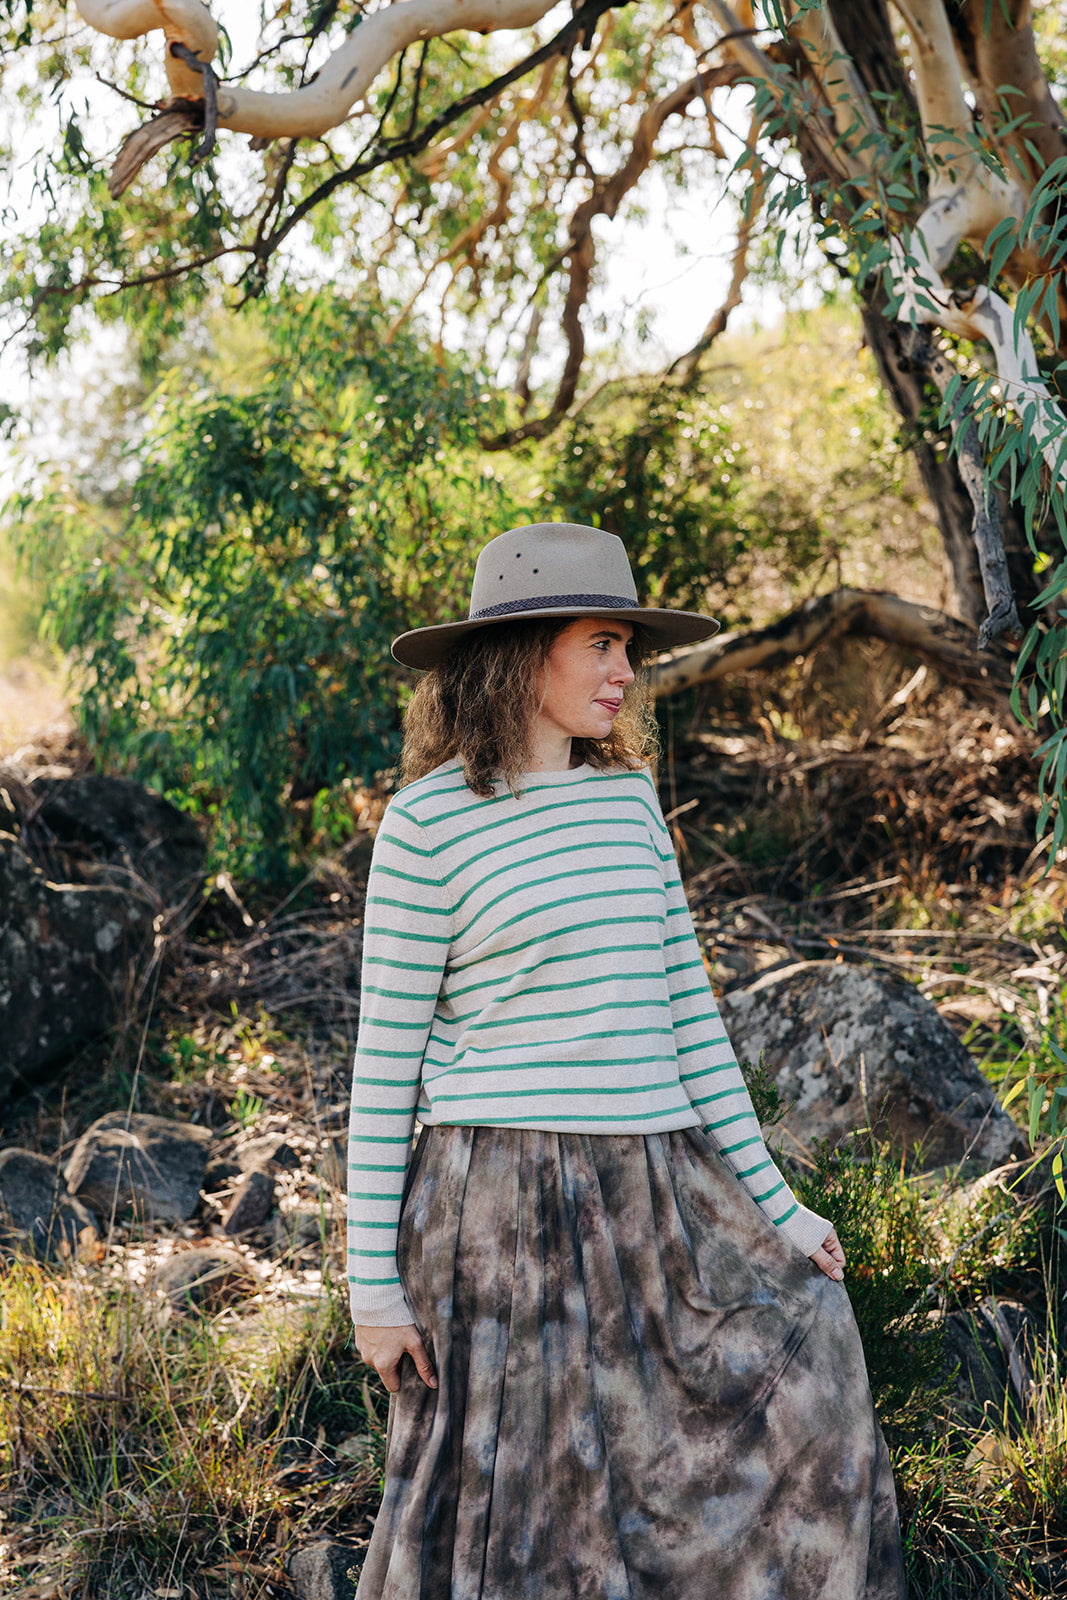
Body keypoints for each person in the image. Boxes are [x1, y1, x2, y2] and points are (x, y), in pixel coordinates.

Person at [347, 522, 905, 1600]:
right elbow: (384, 1067)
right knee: (526, 1509)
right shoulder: (425, 828)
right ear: (523, 651)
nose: (622, 671)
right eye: (601, 642)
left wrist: (780, 1207)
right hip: (496, 1210)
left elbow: (689, 1019)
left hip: (654, 1192)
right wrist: (371, 1283)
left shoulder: (628, 804)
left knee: (805, 1365)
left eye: (629, 650)